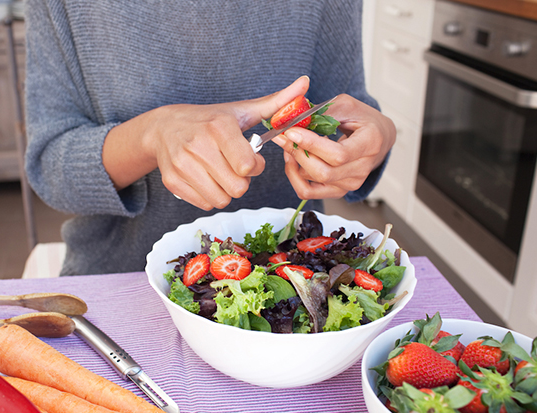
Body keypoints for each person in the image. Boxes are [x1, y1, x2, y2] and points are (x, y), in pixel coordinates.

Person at [23, 0, 396, 275]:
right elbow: (49, 166)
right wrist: (151, 135)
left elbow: (342, 113)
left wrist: (377, 138)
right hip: (121, 284)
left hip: (292, 288)